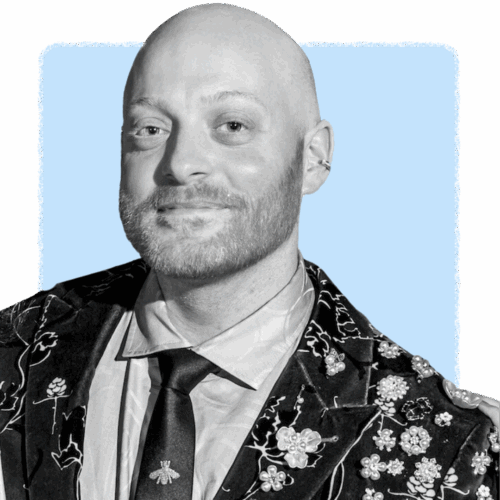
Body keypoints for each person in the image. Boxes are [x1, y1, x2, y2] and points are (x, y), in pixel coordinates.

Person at [0, 4, 498, 500]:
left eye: (232, 125)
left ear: (313, 158)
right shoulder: (13, 350)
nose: (182, 163)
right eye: (150, 129)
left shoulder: (446, 450)